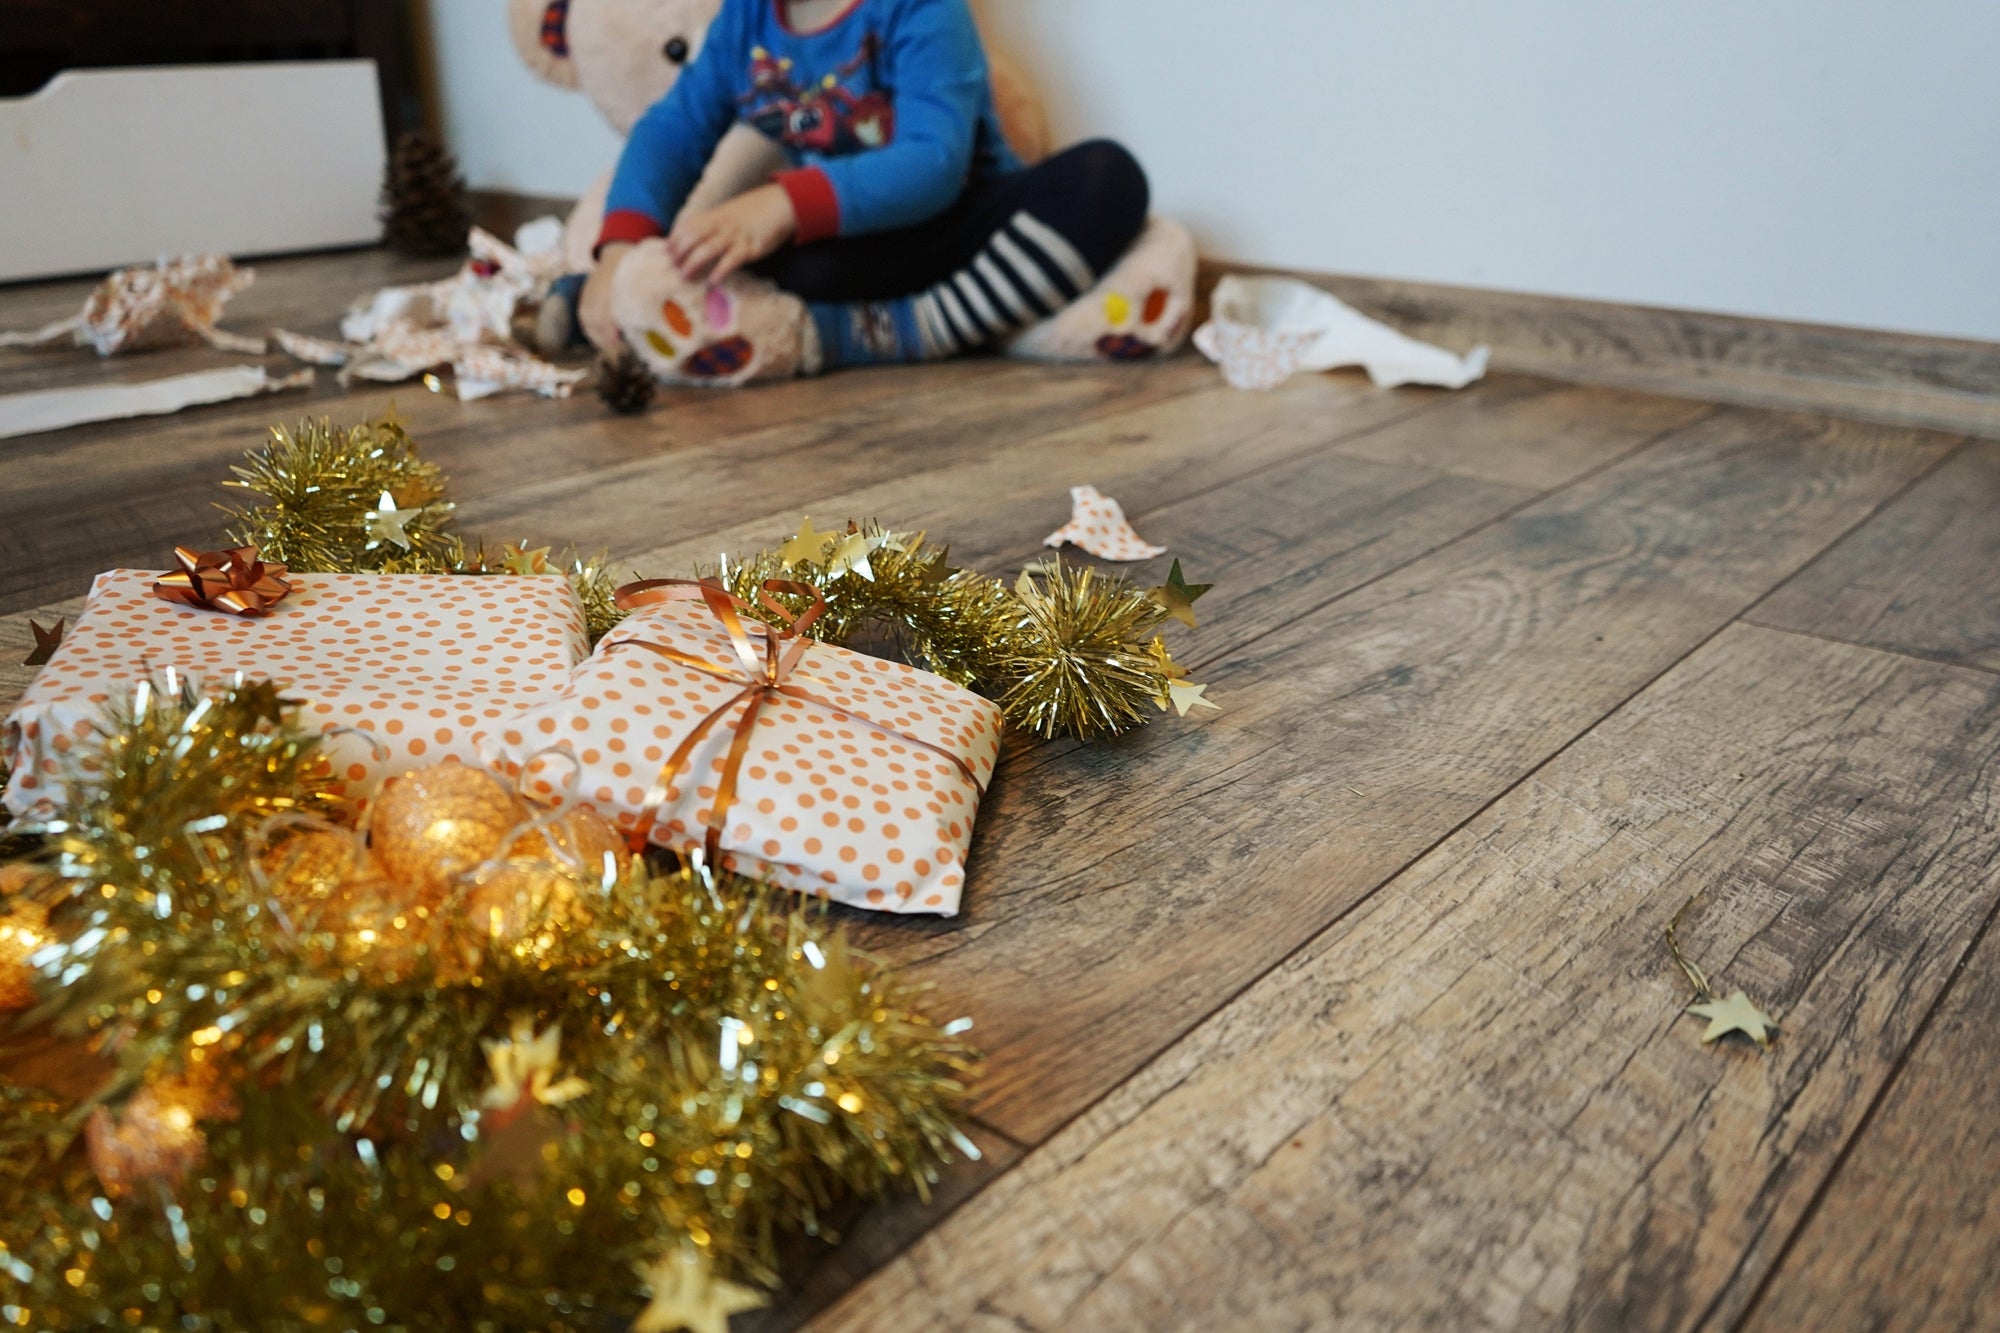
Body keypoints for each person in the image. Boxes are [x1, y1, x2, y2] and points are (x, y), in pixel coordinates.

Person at [560, 0, 1150, 375]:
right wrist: (619, 252)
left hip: (962, 226)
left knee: (1107, 178)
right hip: (857, 247)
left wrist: (784, 202)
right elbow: (672, 129)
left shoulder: (925, 9)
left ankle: (894, 335)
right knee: (782, 267)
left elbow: (933, 164)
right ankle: (602, 297)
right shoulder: (744, 18)